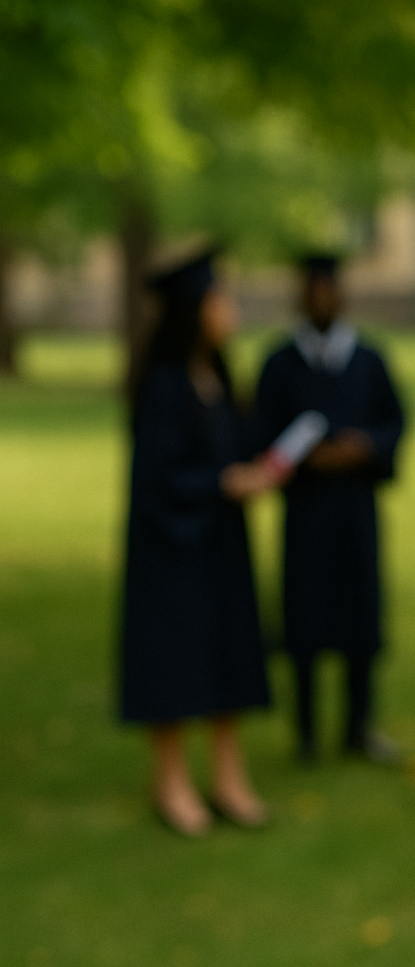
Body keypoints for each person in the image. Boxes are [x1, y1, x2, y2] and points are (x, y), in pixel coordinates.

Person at [120, 249, 278, 837]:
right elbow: (157, 478)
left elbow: (231, 444)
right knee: (175, 660)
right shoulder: (162, 385)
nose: (229, 309)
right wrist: (223, 481)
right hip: (172, 549)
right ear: (193, 310)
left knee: (227, 652)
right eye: (219, 299)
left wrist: (256, 464)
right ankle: (170, 780)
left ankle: (228, 776)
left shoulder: (215, 376)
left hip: (220, 545)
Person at [255, 254, 406, 763]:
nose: (320, 298)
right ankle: (305, 734)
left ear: (342, 296)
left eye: (328, 289)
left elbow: (395, 421)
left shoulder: (368, 358)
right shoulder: (279, 362)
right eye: (311, 289)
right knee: (303, 619)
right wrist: (306, 459)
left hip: (355, 510)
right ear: (300, 297)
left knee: (358, 618)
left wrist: (364, 447)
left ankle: (358, 727)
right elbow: (259, 432)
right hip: (306, 512)